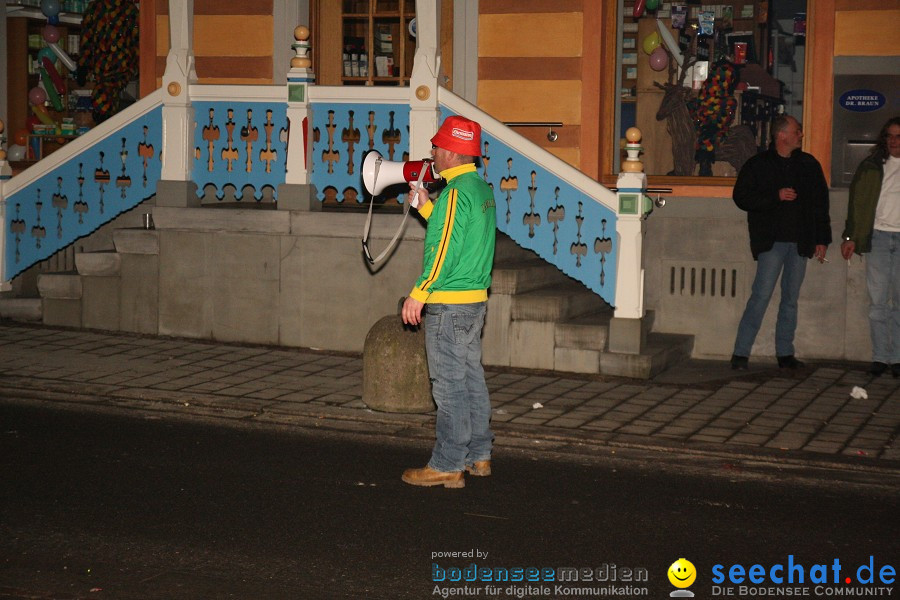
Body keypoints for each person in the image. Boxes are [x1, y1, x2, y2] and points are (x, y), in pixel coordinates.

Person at [400, 116, 496, 489]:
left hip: (450, 303)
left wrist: (419, 292)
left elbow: (444, 251)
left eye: (438, 146)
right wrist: (427, 206)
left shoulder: (455, 192)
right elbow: (462, 234)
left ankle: (447, 463)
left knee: (449, 386)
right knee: (471, 379)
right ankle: (479, 455)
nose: (433, 152)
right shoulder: (478, 188)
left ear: (454, 152)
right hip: (473, 303)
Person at [730, 115, 832, 370]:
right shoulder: (758, 165)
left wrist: (822, 239)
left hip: (800, 242)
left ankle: (785, 353)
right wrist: (774, 197)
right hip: (771, 242)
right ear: (782, 135)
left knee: (790, 299)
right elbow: (741, 197)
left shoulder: (808, 165)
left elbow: (821, 205)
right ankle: (741, 353)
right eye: (797, 131)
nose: (801, 135)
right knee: (761, 295)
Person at [840, 116, 900, 377]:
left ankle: (897, 357)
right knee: (878, 302)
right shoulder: (872, 166)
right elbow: (857, 206)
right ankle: (880, 357)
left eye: (898, 136)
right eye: (889, 136)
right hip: (877, 237)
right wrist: (850, 237)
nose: (894, 141)